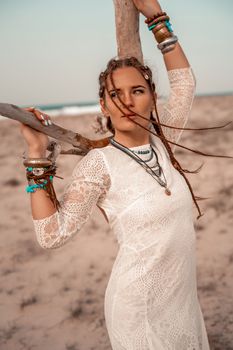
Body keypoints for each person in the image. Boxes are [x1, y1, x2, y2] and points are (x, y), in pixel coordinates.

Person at [19, 0, 211, 348]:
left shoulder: (163, 142)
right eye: (115, 94)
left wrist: (156, 17)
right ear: (103, 105)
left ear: (152, 96)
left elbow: (184, 84)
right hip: (139, 310)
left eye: (137, 90)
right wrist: (36, 157)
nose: (126, 102)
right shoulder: (100, 164)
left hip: (182, 300)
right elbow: (51, 235)